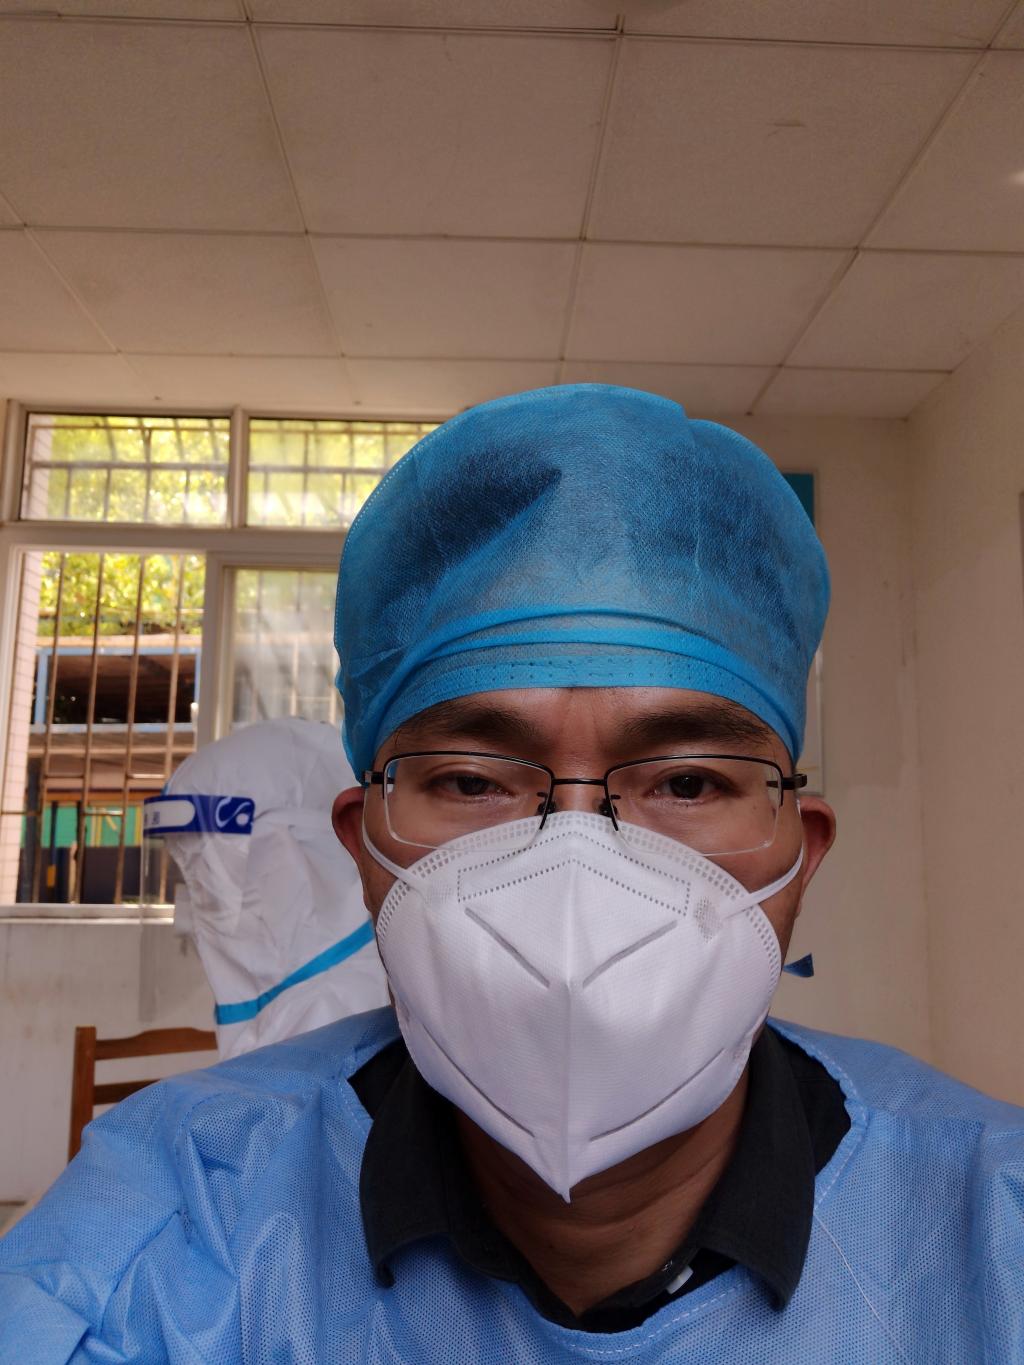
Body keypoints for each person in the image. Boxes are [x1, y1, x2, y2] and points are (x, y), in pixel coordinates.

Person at [1, 385, 1021, 1362]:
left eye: (687, 781)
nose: (576, 870)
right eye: (473, 780)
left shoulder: (995, 1229)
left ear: (799, 856)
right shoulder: (176, 1222)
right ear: (364, 847)